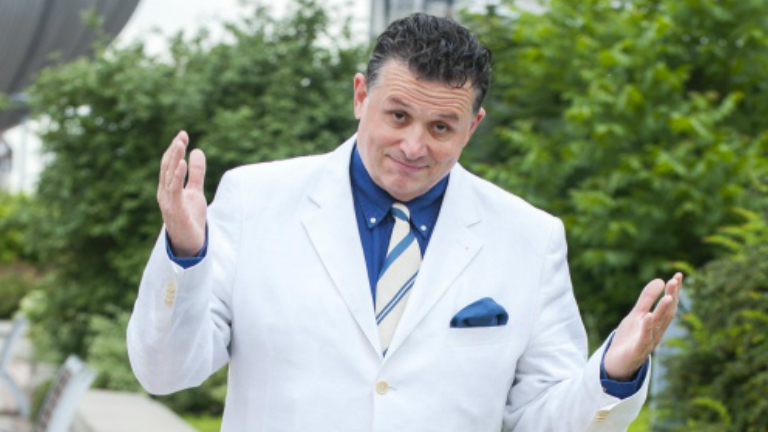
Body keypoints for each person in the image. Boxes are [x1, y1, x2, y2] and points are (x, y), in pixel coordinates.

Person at [128, 13, 682, 432]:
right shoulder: (255, 199)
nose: (414, 146)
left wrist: (612, 373)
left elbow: (542, 419)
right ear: (360, 96)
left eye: (441, 127)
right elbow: (165, 372)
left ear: (473, 126)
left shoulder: (531, 238)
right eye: (398, 116)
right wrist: (184, 255)